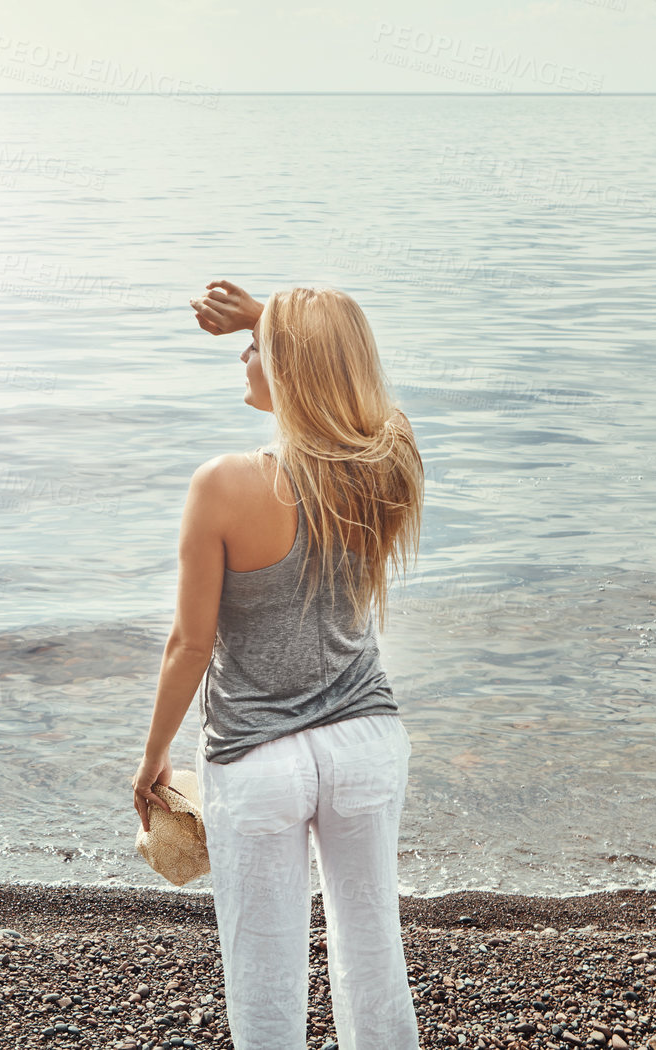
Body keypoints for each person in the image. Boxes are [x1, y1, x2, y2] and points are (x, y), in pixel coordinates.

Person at [132, 280, 426, 1050]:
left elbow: (189, 646)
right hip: (364, 743)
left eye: (257, 344)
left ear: (293, 365)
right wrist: (275, 319)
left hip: (257, 761)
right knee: (373, 950)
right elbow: (354, 381)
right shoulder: (384, 464)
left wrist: (154, 757)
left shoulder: (223, 486)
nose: (244, 351)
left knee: (264, 974)